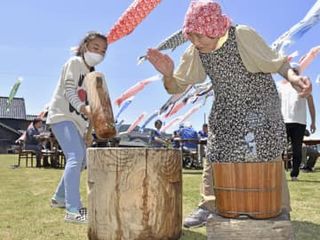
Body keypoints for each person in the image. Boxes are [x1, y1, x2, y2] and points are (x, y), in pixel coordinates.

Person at [146, 1, 312, 227]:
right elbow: (176, 86)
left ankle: (280, 207)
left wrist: (294, 80)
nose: (195, 42)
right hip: (227, 108)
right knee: (215, 153)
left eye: (200, 37)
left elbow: (277, 63)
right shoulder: (196, 51)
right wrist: (167, 75)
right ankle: (208, 206)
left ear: (214, 29)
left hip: (260, 105)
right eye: (191, 37)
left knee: (267, 151)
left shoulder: (242, 36)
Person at [46, 31, 108, 224]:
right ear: (84, 46)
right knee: (76, 157)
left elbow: (94, 104)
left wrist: (89, 129)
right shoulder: (74, 63)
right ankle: (73, 210)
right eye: (95, 47)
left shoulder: (94, 76)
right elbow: (69, 90)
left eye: (103, 51)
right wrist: (83, 108)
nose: (99, 53)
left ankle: (59, 198)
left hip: (79, 123)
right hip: (62, 116)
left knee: (80, 161)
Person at [278, 63, 316, 181]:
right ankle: (278, 173)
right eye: (292, 71)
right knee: (279, 148)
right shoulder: (281, 87)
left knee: (297, 149)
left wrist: (313, 121)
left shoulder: (304, 86)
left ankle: (294, 174)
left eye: (296, 71)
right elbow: (275, 105)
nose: (294, 73)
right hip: (284, 121)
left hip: (299, 122)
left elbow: (311, 104)